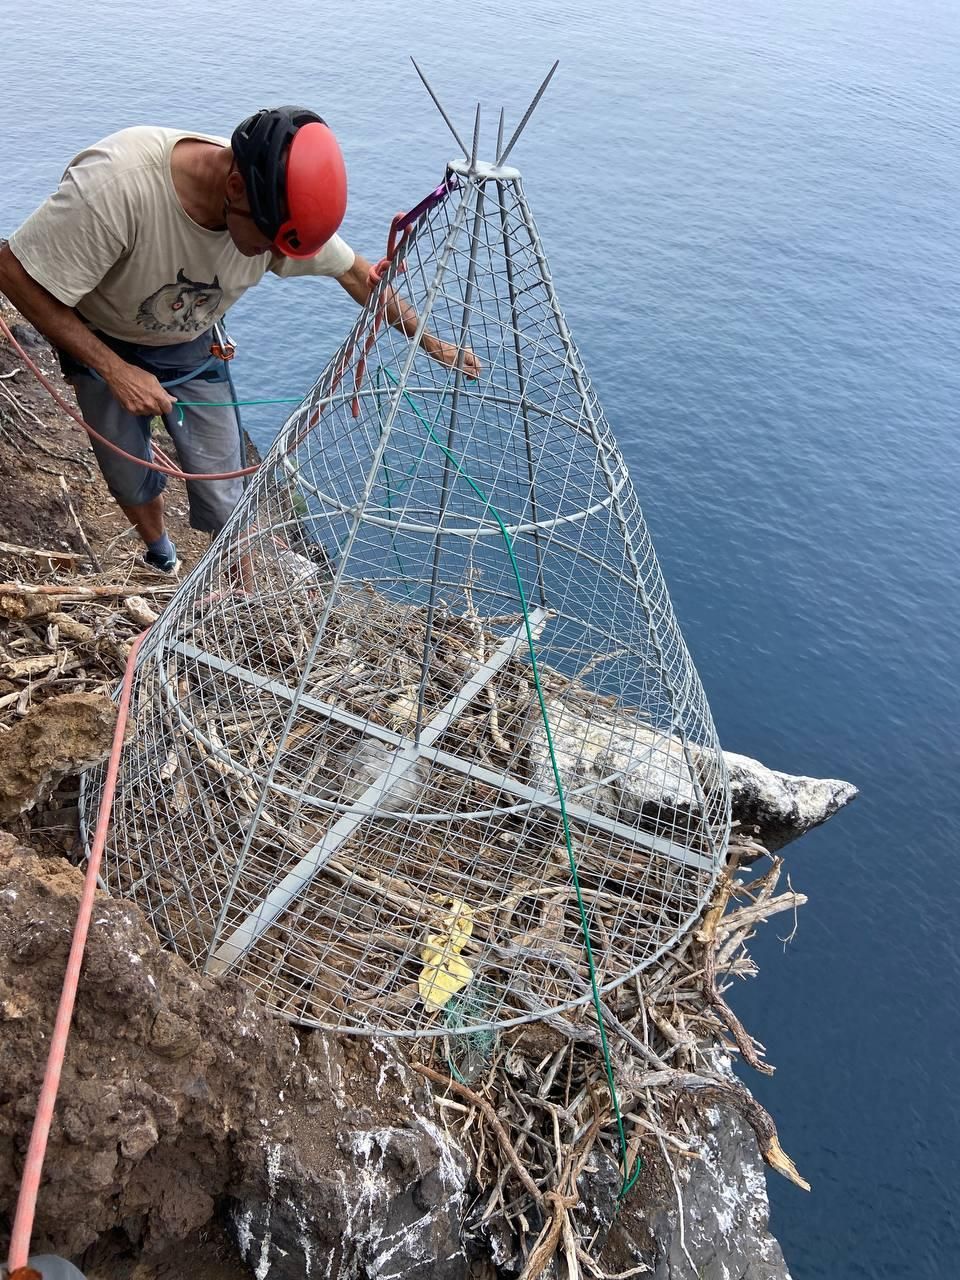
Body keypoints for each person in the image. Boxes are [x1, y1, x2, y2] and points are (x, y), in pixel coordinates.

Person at [0, 107, 478, 572]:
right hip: (101, 337)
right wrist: (115, 370)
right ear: (233, 187)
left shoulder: (278, 211)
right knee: (126, 473)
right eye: (267, 242)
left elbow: (356, 274)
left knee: (221, 482)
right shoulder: (118, 186)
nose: (271, 256)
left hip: (191, 344)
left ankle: (237, 584)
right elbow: (12, 271)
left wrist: (432, 344)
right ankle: (161, 553)